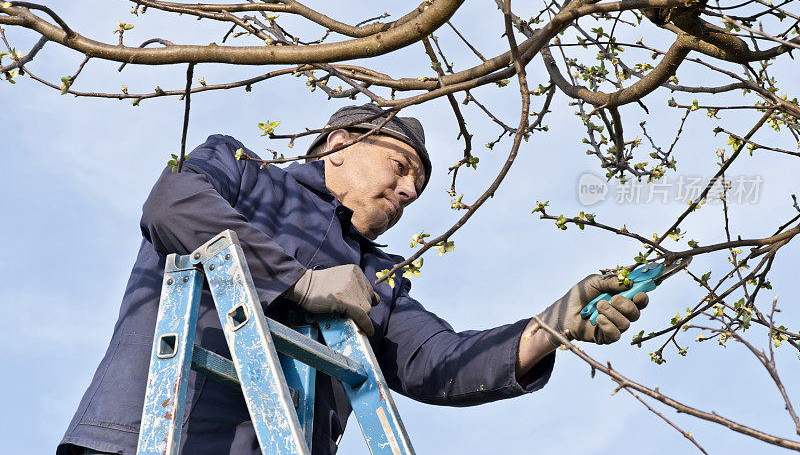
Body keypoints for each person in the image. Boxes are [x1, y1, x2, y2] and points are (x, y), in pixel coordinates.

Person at [58, 104, 648, 455]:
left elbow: (439, 360)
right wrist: (298, 283)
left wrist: (553, 326)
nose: (410, 190)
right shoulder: (240, 173)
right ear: (340, 145)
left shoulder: (378, 278)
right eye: (400, 166)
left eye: (416, 185)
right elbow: (174, 205)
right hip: (140, 435)